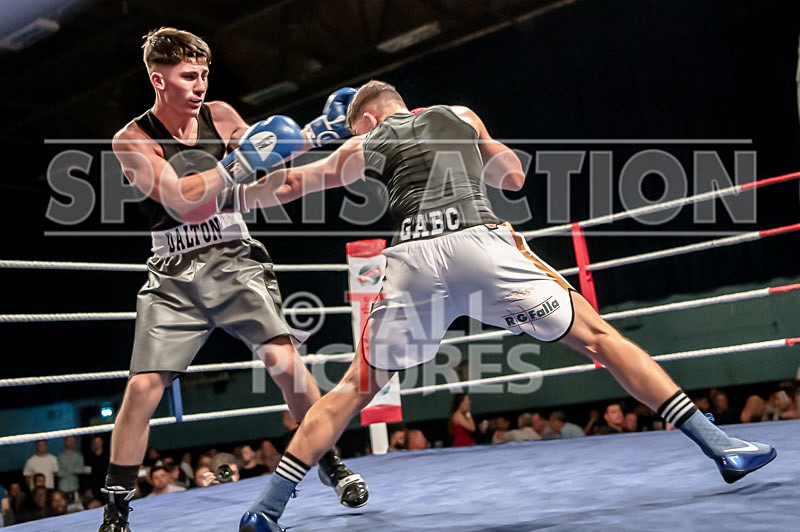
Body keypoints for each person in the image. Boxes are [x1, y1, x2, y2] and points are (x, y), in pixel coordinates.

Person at [235, 80, 776, 531]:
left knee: (355, 386)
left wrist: (234, 185)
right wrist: (481, 142)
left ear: (369, 118)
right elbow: (514, 177)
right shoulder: (460, 113)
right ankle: (721, 446)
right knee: (601, 339)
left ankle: (268, 507)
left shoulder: (363, 144)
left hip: (412, 260)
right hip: (480, 242)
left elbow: (288, 188)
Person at [99, 27, 367, 532]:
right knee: (142, 388)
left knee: (285, 362)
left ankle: (330, 463)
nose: (199, 84)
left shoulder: (221, 116)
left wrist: (309, 137)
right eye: (187, 76)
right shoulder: (131, 140)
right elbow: (181, 200)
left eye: (203, 73)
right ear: (159, 79)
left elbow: (269, 178)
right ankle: (116, 507)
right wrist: (239, 163)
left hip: (233, 256)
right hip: (173, 272)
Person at [57, 436, 85, 501]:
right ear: (65, 442)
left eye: (73, 441)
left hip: (75, 488)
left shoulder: (79, 456)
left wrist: (67, 470)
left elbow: (81, 470)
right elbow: (59, 473)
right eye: (69, 440)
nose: (71, 443)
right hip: (62, 488)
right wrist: (73, 470)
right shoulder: (60, 457)